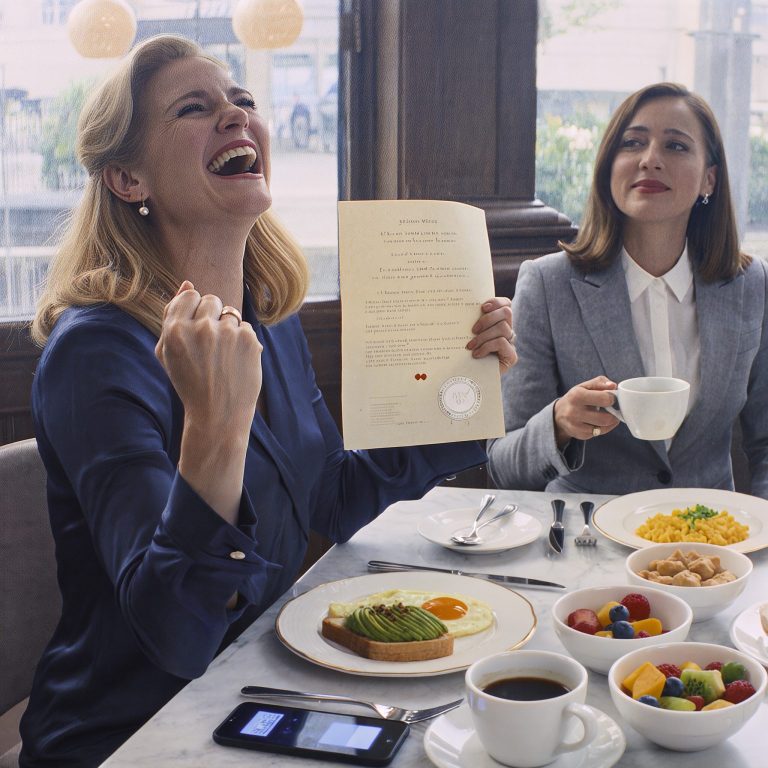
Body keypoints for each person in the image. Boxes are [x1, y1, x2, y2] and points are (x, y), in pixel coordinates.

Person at [20, 35, 516, 768]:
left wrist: (462, 392)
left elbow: (329, 498)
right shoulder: (97, 353)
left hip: (264, 688)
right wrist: (216, 428)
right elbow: (177, 633)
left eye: (243, 101)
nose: (234, 116)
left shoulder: (267, 323)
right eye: (195, 108)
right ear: (127, 178)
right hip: (135, 732)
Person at [488, 82, 768, 496]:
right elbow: (502, 465)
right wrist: (559, 424)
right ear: (608, 167)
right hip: (584, 546)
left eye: (675, 146)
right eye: (633, 143)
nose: (650, 160)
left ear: (709, 179)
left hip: (709, 547)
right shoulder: (548, 285)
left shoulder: (749, 285)